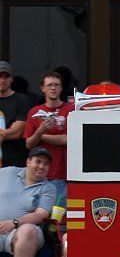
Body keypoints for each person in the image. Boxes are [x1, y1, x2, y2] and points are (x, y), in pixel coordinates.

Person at [0, 147, 57, 257]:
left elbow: (41, 215)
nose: (41, 166)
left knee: (28, 230)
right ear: (28, 162)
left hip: (20, 233)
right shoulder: (7, 173)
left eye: (46, 163)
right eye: (38, 161)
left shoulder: (48, 188)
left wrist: (15, 223)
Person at [23, 71, 73, 204]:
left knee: (58, 215)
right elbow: (29, 144)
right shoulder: (34, 112)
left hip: (63, 175)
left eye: (56, 85)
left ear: (61, 88)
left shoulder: (70, 110)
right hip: (38, 176)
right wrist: (40, 130)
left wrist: (39, 135)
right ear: (42, 88)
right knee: (39, 214)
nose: (53, 88)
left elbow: (67, 139)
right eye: (50, 85)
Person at [0, 61, 31, 168]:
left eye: (6, 76)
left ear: (12, 79)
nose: (3, 80)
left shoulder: (22, 100)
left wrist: (11, 131)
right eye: (0, 76)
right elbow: (12, 131)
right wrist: (7, 131)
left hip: (14, 161)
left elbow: (17, 132)